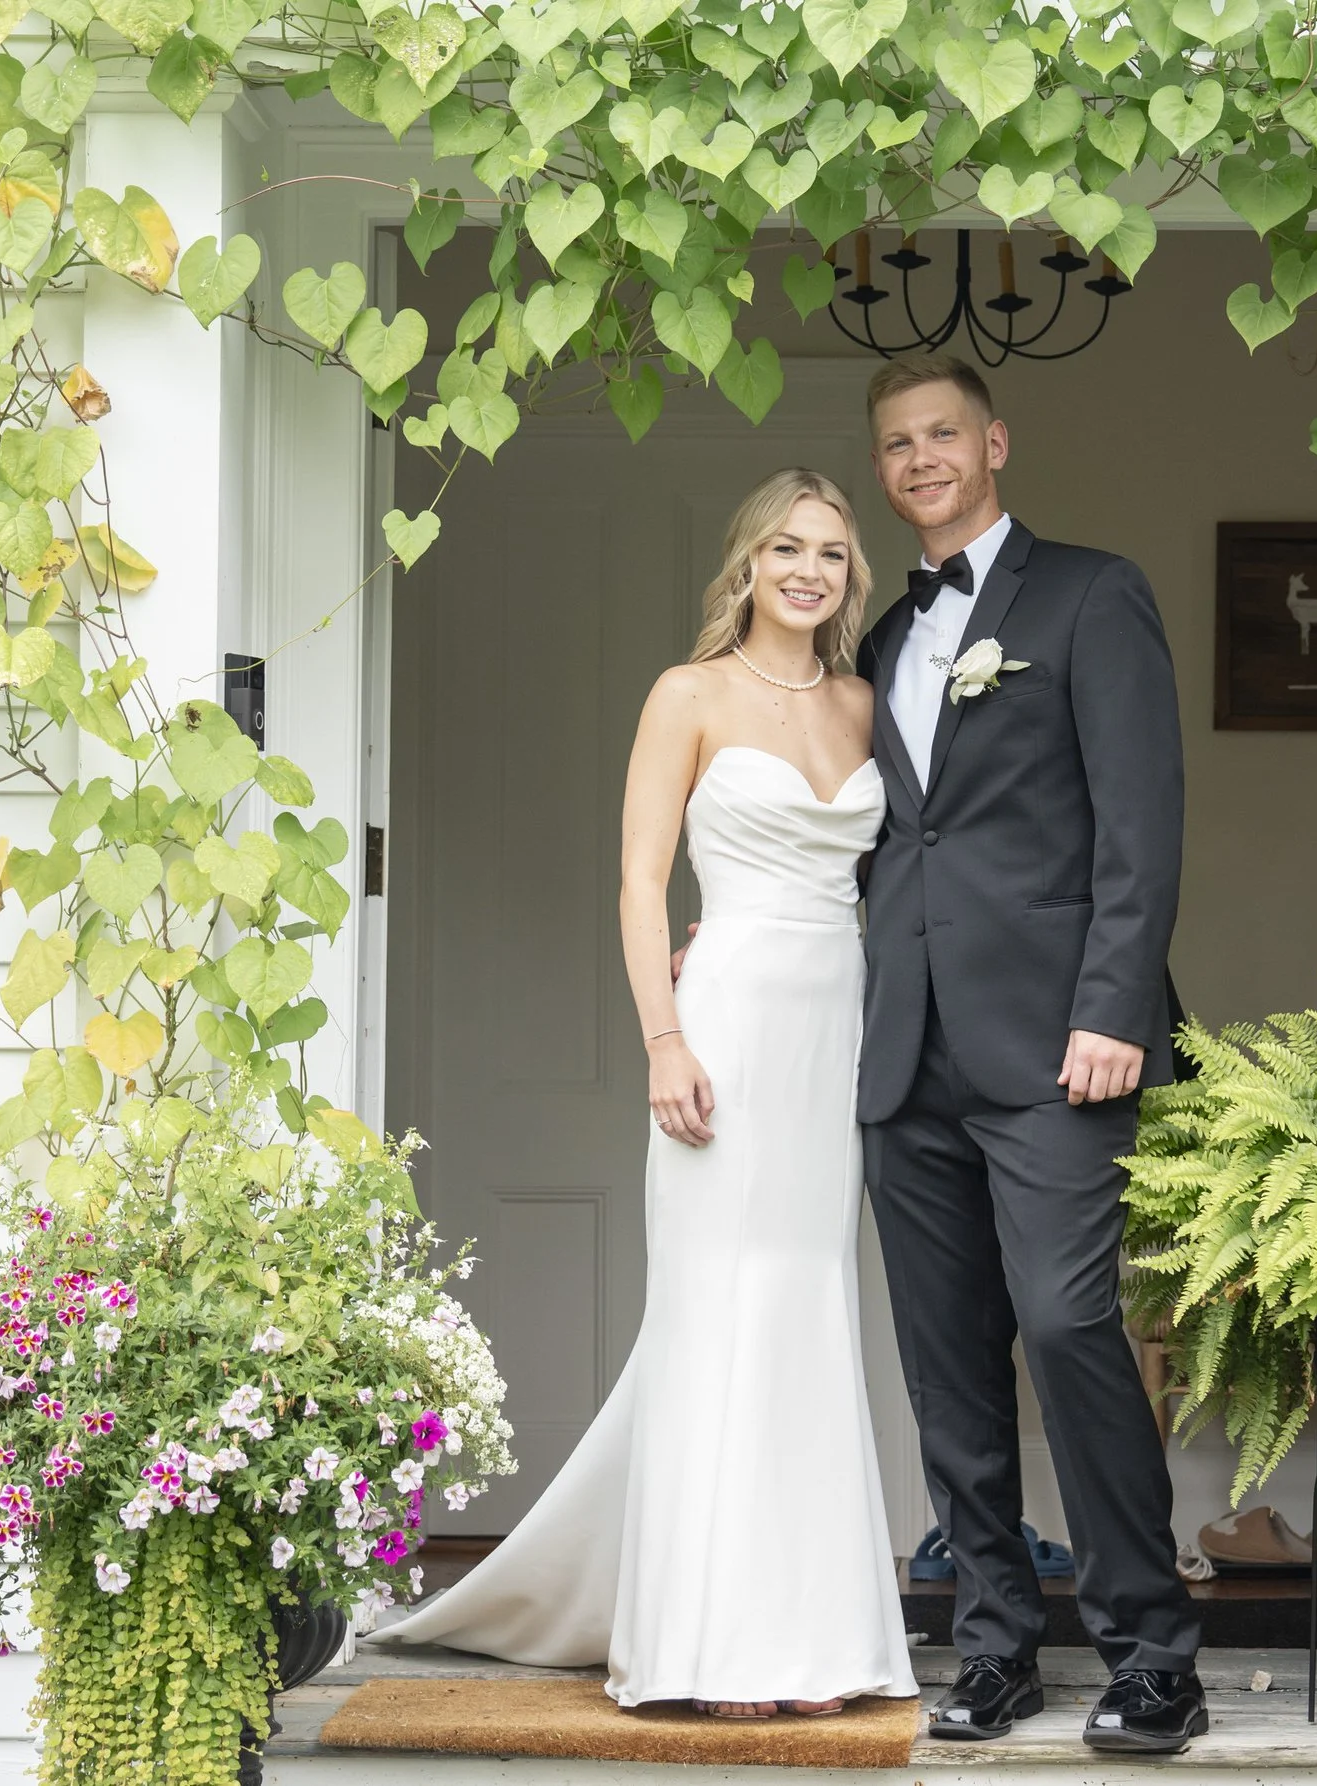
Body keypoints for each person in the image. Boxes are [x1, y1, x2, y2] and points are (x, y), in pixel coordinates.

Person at [374, 468, 918, 1719]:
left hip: (836, 1023)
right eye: (785, 547)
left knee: (808, 1307)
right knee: (719, 1311)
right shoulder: (687, 694)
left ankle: (813, 1639)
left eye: (831, 553)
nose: (808, 571)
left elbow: (910, 873)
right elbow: (636, 883)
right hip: (721, 1014)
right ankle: (710, 1643)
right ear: (744, 562)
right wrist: (663, 1037)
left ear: (852, 576)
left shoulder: (863, 703)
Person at [853, 354, 1205, 1754]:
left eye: (943, 432)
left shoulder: (1090, 594)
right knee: (947, 1361)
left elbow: (1142, 819)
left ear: (995, 442)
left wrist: (1114, 1005)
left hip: (1062, 1045)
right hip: (905, 1056)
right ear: (883, 468)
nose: (922, 457)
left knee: (1065, 1327)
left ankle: (1150, 1648)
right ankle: (994, 1640)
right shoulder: (882, 634)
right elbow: (882, 842)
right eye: (896, 443)